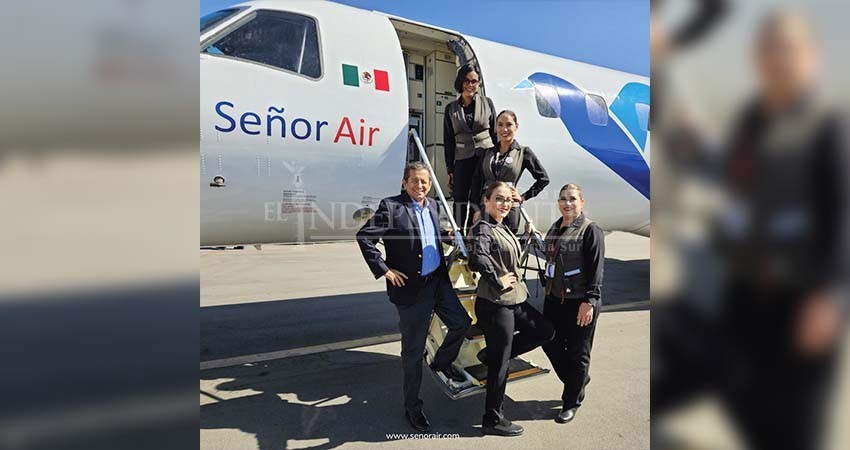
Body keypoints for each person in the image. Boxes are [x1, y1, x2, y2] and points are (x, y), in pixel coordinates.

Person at [653, 11, 848, 449]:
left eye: (788, 49)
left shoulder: (830, 126)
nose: (776, 59)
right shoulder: (750, 123)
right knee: (747, 410)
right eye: (767, 50)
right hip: (742, 294)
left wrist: (829, 296)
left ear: (811, 58)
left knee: (792, 424)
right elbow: (720, 173)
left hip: (800, 300)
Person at [356, 162, 472, 433]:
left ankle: (442, 362)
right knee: (412, 353)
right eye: (416, 181)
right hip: (411, 290)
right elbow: (365, 238)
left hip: (437, 283)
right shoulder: (392, 207)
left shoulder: (432, 205)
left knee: (461, 323)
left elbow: (428, 234)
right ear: (404, 183)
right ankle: (413, 408)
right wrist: (384, 270)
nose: (421, 186)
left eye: (425, 182)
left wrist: (450, 237)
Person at [468, 181, 555, 436]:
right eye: (499, 199)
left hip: (513, 299)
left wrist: (526, 235)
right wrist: (497, 278)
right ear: (486, 201)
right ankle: (492, 419)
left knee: (545, 331)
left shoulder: (500, 225)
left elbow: (504, 251)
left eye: (508, 200)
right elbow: (477, 257)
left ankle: (489, 355)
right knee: (501, 364)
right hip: (496, 304)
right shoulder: (483, 227)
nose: (505, 204)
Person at [541, 183, 605, 424]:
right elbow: (551, 257)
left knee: (579, 352)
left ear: (582, 202)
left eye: (572, 199)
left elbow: (596, 270)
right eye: (563, 199)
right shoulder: (555, 228)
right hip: (555, 299)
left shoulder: (590, 230)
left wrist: (590, 301)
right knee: (549, 341)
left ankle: (571, 402)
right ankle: (577, 379)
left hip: (580, 302)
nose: (567, 203)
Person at [471, 110, 549, 234]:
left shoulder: (523, 152)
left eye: (509, 125)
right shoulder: (486, 153)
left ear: (516, 126)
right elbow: (476, 182)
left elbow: (543, 179)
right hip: (486, 207)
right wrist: (475, 209)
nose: (504, 129)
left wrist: (524, 197)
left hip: (509, 209)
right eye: (500, 125)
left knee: (506, 246)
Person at [444, 63, 497, 232]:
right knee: (460, 197)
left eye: (474, 81)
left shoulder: (487, 103)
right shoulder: (451, 108)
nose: (470, 85)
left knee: (477, 197)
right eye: (466, 80)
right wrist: (450, 168)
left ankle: (473, 236)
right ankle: (459, 235)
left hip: (484, 157)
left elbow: (495, 132)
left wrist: (497, 158)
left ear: (479, 83)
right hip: (462, 157)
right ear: (460, 81)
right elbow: (448, 140)